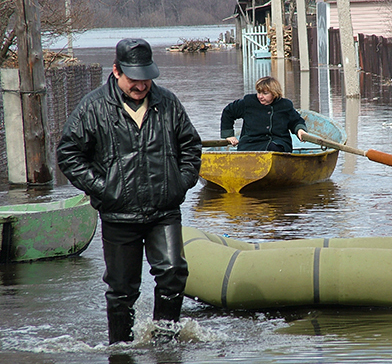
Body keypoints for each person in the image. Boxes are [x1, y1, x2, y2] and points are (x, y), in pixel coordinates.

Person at [56, 38, 202, 345]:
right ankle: (120, 348)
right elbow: (68, 154)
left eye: (146, 77)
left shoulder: (168, 103)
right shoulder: (94, 107)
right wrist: (104, 188)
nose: (141, 85)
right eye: (133, 78)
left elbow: (191, 145)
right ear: (116, 71)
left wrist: (180, 181)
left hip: (164, 210)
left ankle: (165, 345)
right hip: (118, 214)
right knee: (122, 289)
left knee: (174, 274)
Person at [221, 76, 307, 152]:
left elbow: (296, 121)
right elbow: (228, 112)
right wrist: (229, 135)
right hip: (250, 143)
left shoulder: (285, 105)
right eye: (259, 92)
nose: (260, 96)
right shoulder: (248, 102)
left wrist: (300, 130)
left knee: (274, 148)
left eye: (265, 93)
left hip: (278, 143)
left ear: (274, 93)